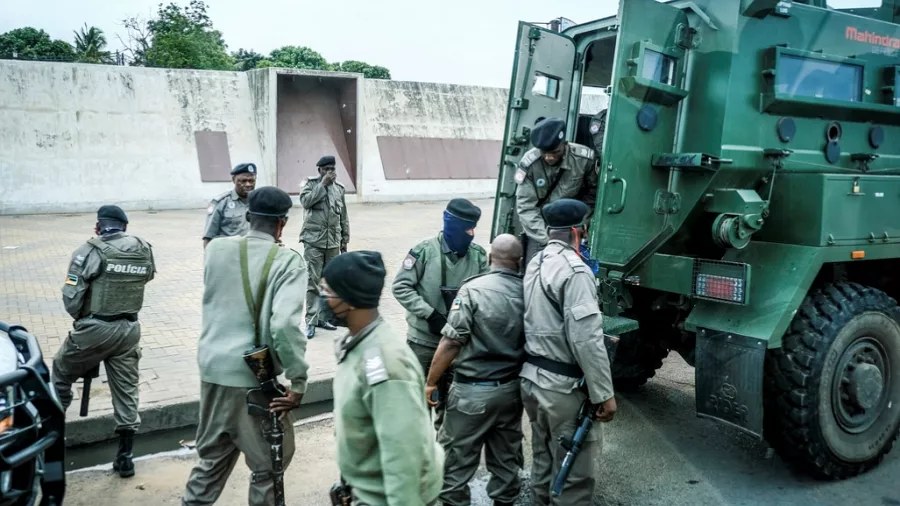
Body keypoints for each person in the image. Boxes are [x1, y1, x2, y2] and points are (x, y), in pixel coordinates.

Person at [182, 186, 310, 506]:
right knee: (267, 466)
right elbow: (283, 326)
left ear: (249, 216)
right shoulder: (288, 262)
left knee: (211, 460)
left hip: (212, 370)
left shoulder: (217, 250)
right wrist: (298, 380)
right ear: (282, 223)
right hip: (254, 377)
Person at [326, 251, 444, 506]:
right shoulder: (359, 345)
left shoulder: (384, 365)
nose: (323, 299)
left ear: (350, 300)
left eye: (329, 292)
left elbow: (404, 458)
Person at [520, 198, 616, 505]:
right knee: (573, 478)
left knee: (544, 464)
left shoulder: (535, 262)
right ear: (578, 231)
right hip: (561, 389)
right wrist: (604, 394)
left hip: (533, 382)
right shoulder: (575, 271)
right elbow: (587, 340)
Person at [52, 204, 156, 478]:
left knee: (60, 374)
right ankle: (125, 458)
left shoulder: (89, 250)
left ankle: (50, 445)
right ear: (125, 227)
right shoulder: (144, 247)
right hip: (129, 329)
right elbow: (146, 277)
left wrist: (84, 320)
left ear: (98, 226)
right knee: (126, 390)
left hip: (94, 330)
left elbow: (71, 297)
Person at [425, 233, 526, 506]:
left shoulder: (473, 289)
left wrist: (431, 382)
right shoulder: (528, 290)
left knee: (454, 464)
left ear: (490, 257)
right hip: (512, 391)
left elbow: (451, 342)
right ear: (519, 261)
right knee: (506, 459)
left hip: (472, 392)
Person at [391, 198, 489, 432]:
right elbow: (400, 287)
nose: (472, 234)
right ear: (453, 227)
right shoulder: (423, 252)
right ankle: (418, 456)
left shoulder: (478, 257)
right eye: (467, 229)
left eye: (474, 228)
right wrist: (430, 314)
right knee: (416, 402)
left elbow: (486, 294)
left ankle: (446, 458)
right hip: (423, 342)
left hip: (458, 345)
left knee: (453, 408)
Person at [514, 117, 599, 265]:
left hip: (572, 228)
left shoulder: (583, 159)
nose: (549, 157)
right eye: (544, 152)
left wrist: (581, 224)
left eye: (554, 152)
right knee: (535, 272)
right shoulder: (530, 164)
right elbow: (526, 207)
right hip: (541, 229)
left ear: (565, 145)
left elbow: (593, 194)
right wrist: (548, 239)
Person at [299, 155, 350, 338]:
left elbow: (343, 215)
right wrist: (323, 185)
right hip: (313, 241)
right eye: (326, 169)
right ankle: (311, 321)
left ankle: (322, 317)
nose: (330, 172)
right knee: (313, 281)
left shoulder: (340, 189)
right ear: (319, 170)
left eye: (333, 169)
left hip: (333, 242)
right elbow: (306, 202)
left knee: (328, 283)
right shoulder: (311, 185)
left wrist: (345, 239)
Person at [203, 162, 258, 248]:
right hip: (229, 254)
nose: (248, 185)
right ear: (233, 180)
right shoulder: (221, 203)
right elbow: (209, 238)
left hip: (253, 253)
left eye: (251, 181)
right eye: (243, 181)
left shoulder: (260, 201)